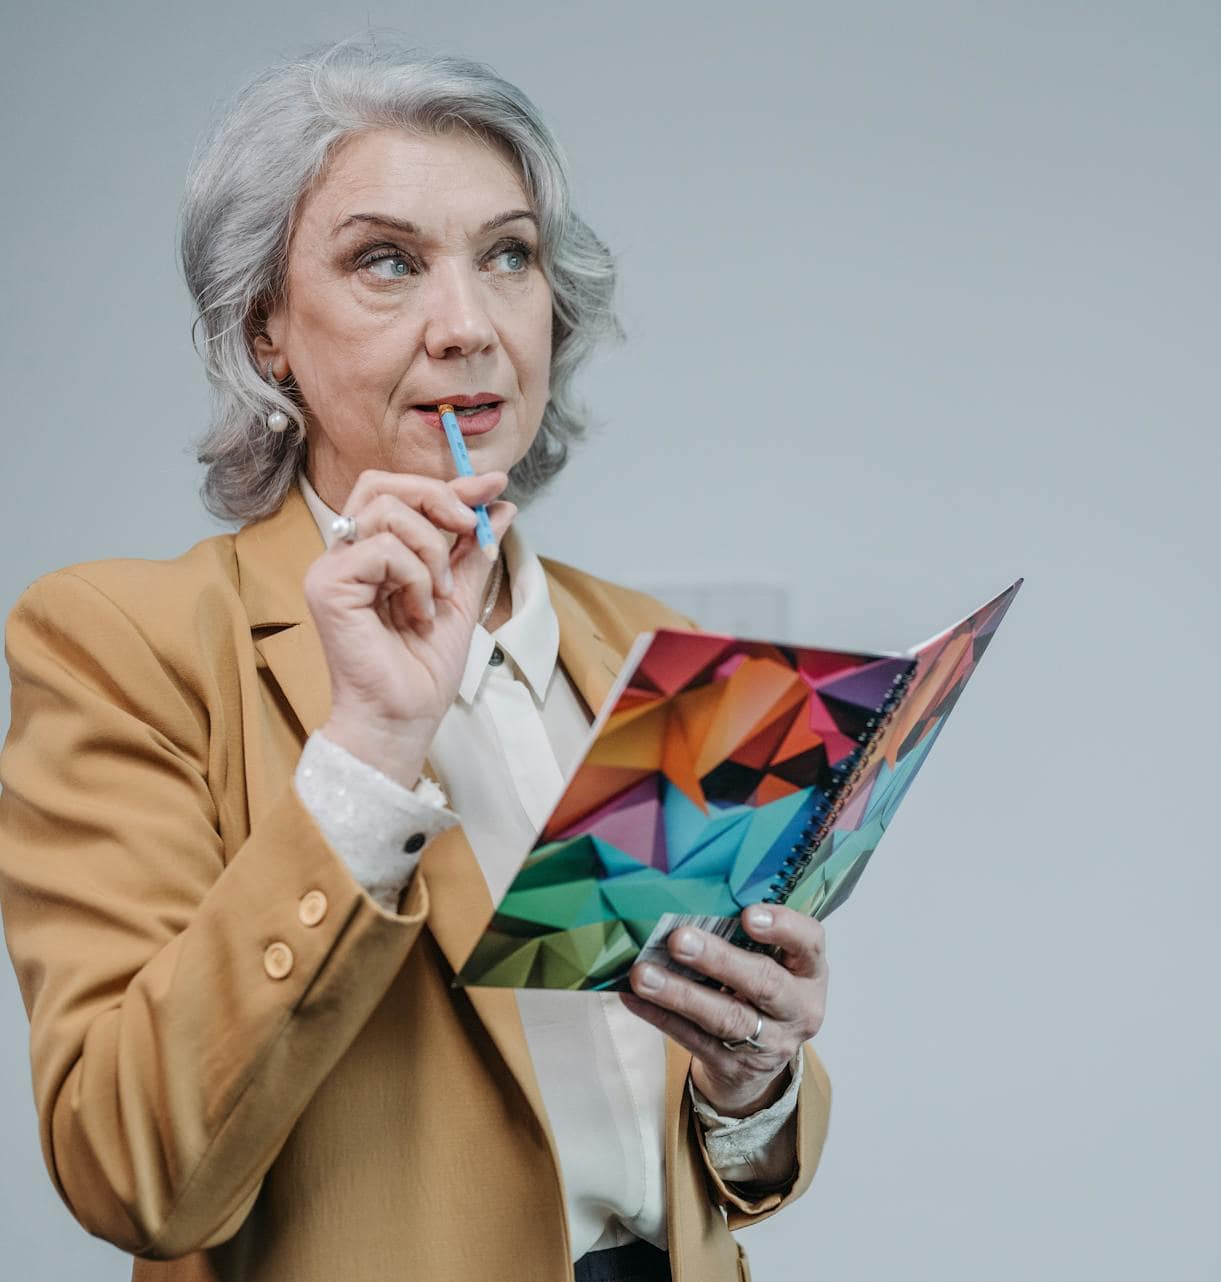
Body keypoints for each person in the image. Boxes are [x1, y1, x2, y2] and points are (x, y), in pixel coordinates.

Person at [0, 37, 830, 1282]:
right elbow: (130, 1170)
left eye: (509, 255)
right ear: (265, 327)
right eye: (387, 261)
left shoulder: (646, 646)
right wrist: (370, 748)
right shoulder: (126, 642)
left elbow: (710, 1165)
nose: (469, 326)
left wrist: (752, 1080)